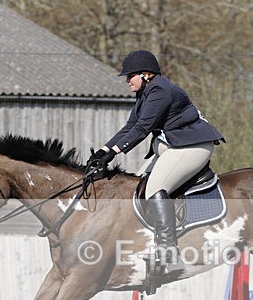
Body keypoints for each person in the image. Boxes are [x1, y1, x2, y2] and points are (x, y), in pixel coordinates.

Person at [87, 50, 224, 276]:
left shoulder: (160, 91)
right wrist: (103, 150)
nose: (127, 81)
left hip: (192, 146)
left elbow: (142, 129)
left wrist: (114, 152)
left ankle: (168, 250)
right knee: (135, 186)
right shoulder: (146, 94)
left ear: (145, 74)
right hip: (173, 147)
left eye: (130, 76)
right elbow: (130, 126)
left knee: (154, 189)